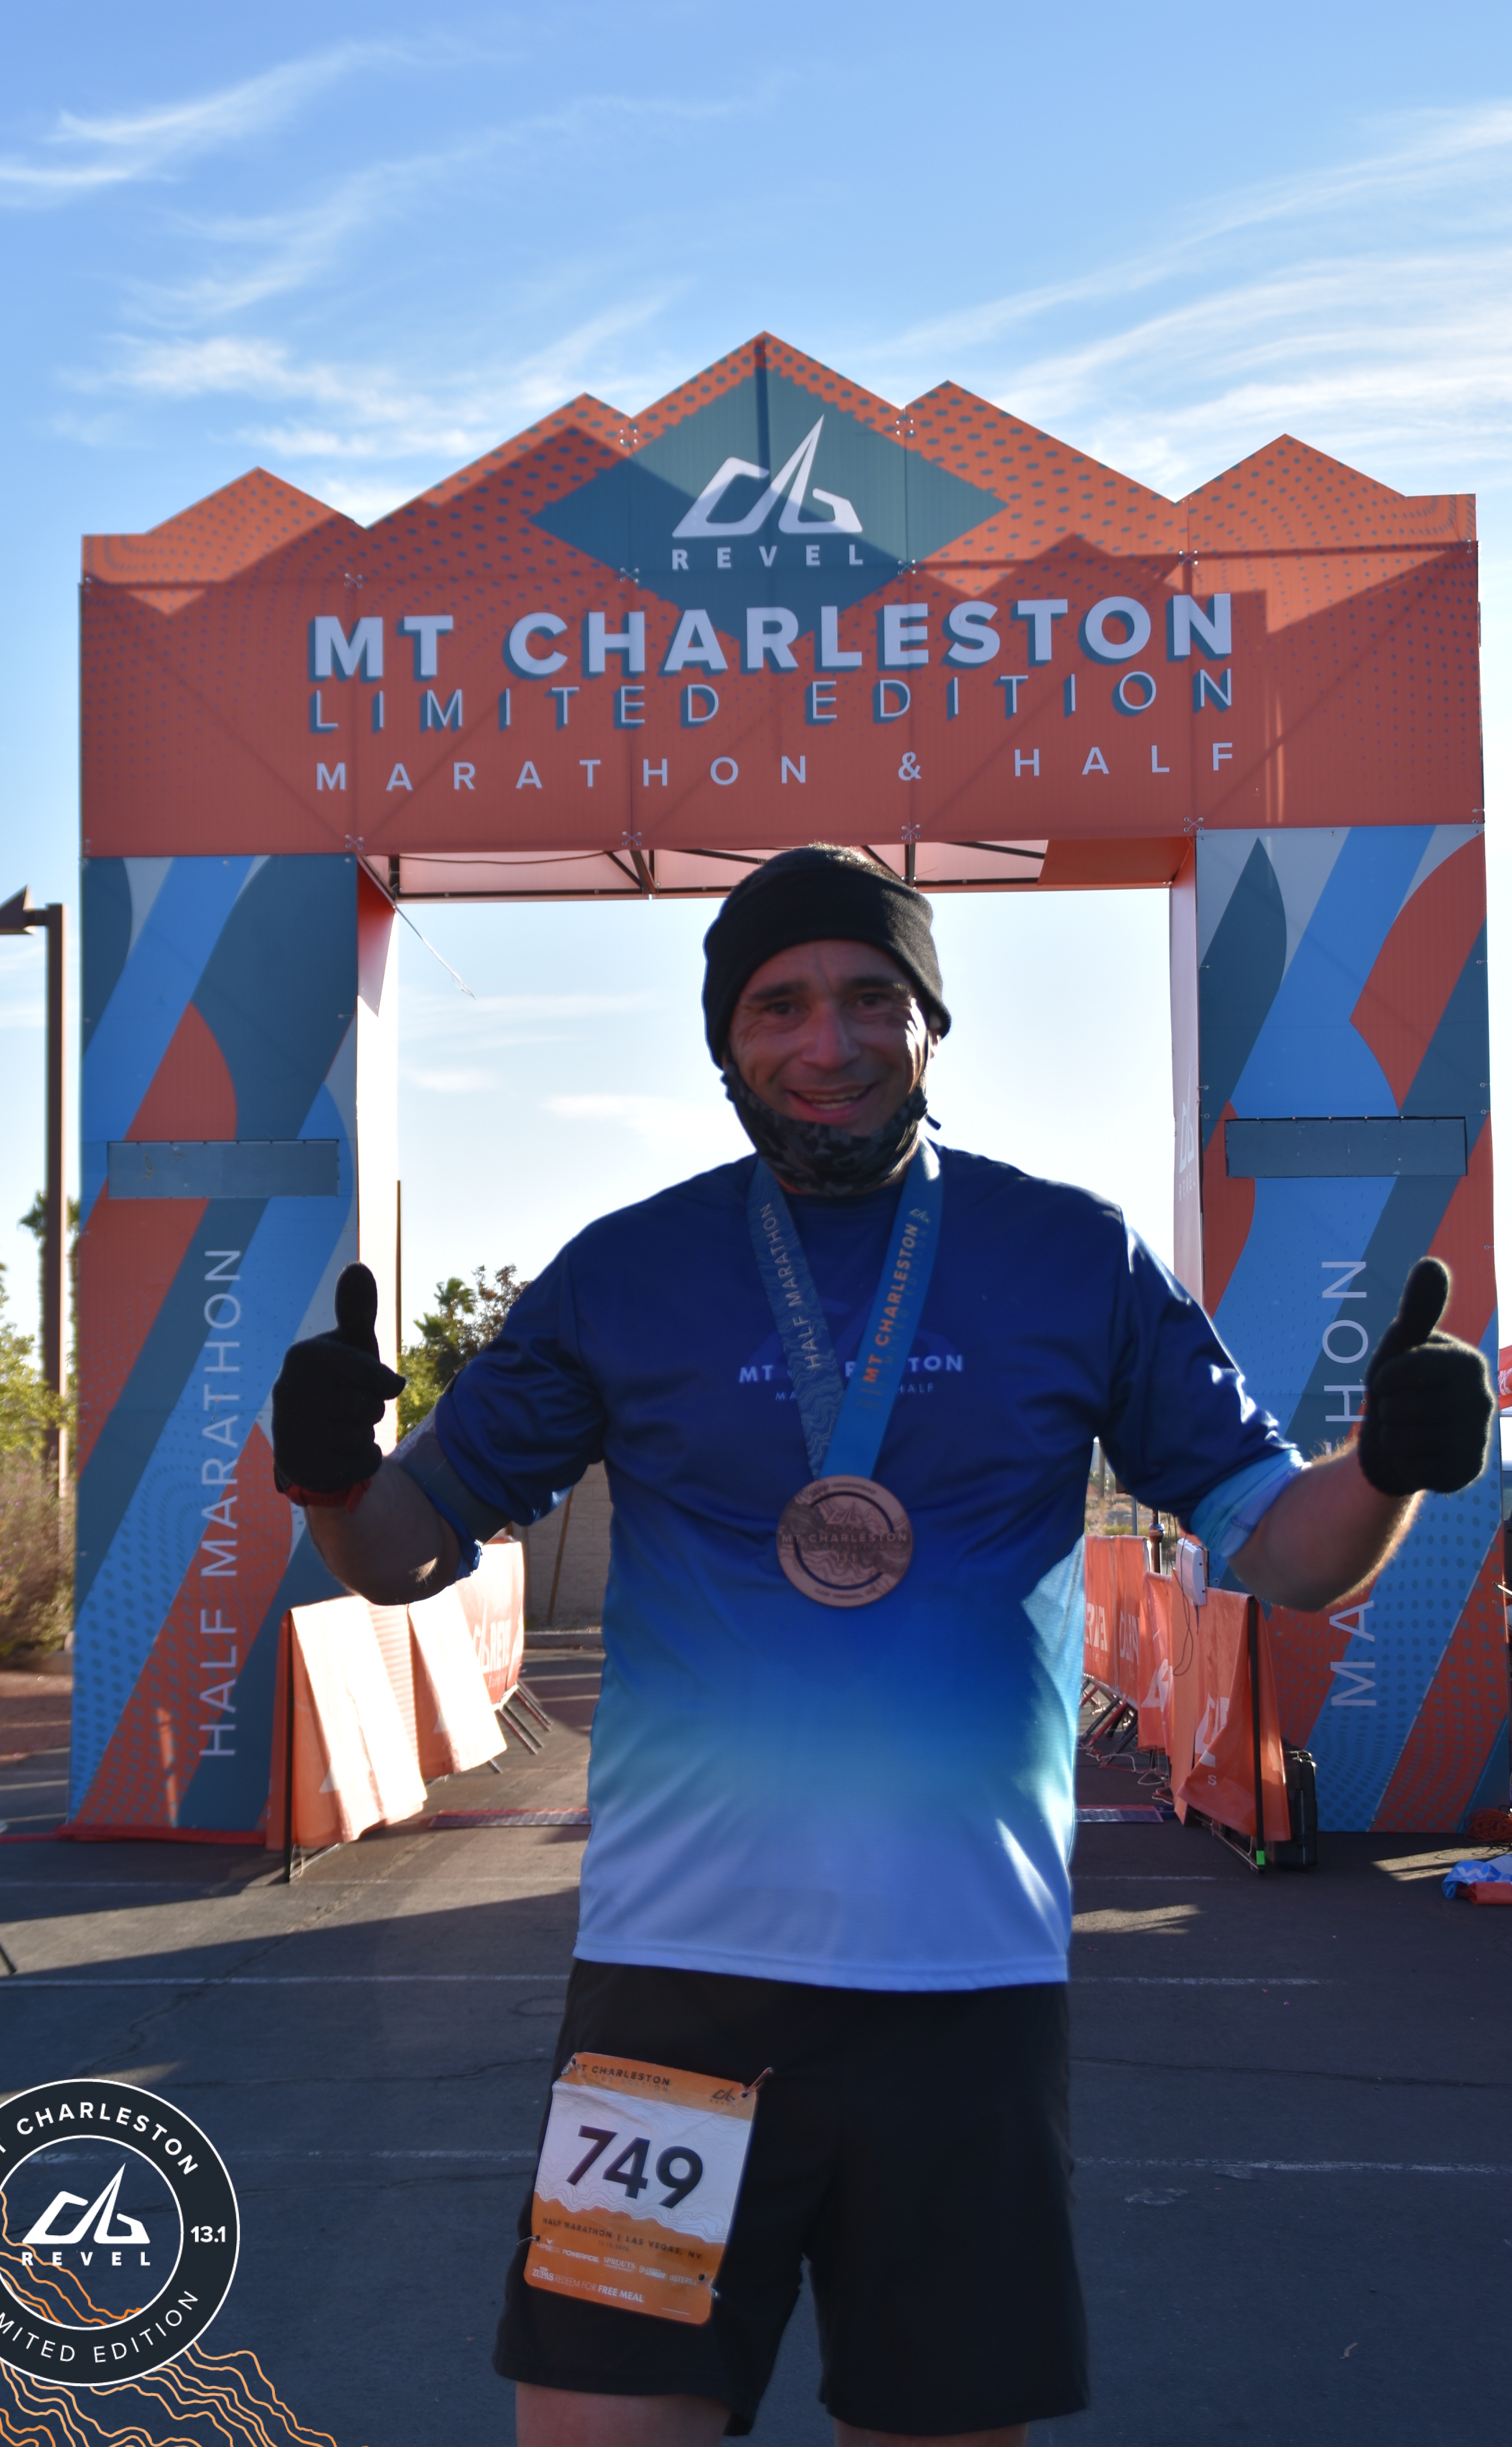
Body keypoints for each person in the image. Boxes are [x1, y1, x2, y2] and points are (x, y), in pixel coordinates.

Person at [271, 844, 1493, 2447]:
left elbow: (1286, 1551)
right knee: (594, 2431)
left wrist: (1389, 1467)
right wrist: (332, 1476)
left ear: (931, 1024)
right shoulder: (624, 1272)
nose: (828, 1042)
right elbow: (403, 1551)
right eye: (778, 1006)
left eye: (870, 999)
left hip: (963, 1997)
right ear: (726, 1042)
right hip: (673, 1998)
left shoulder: (1072, 1256)